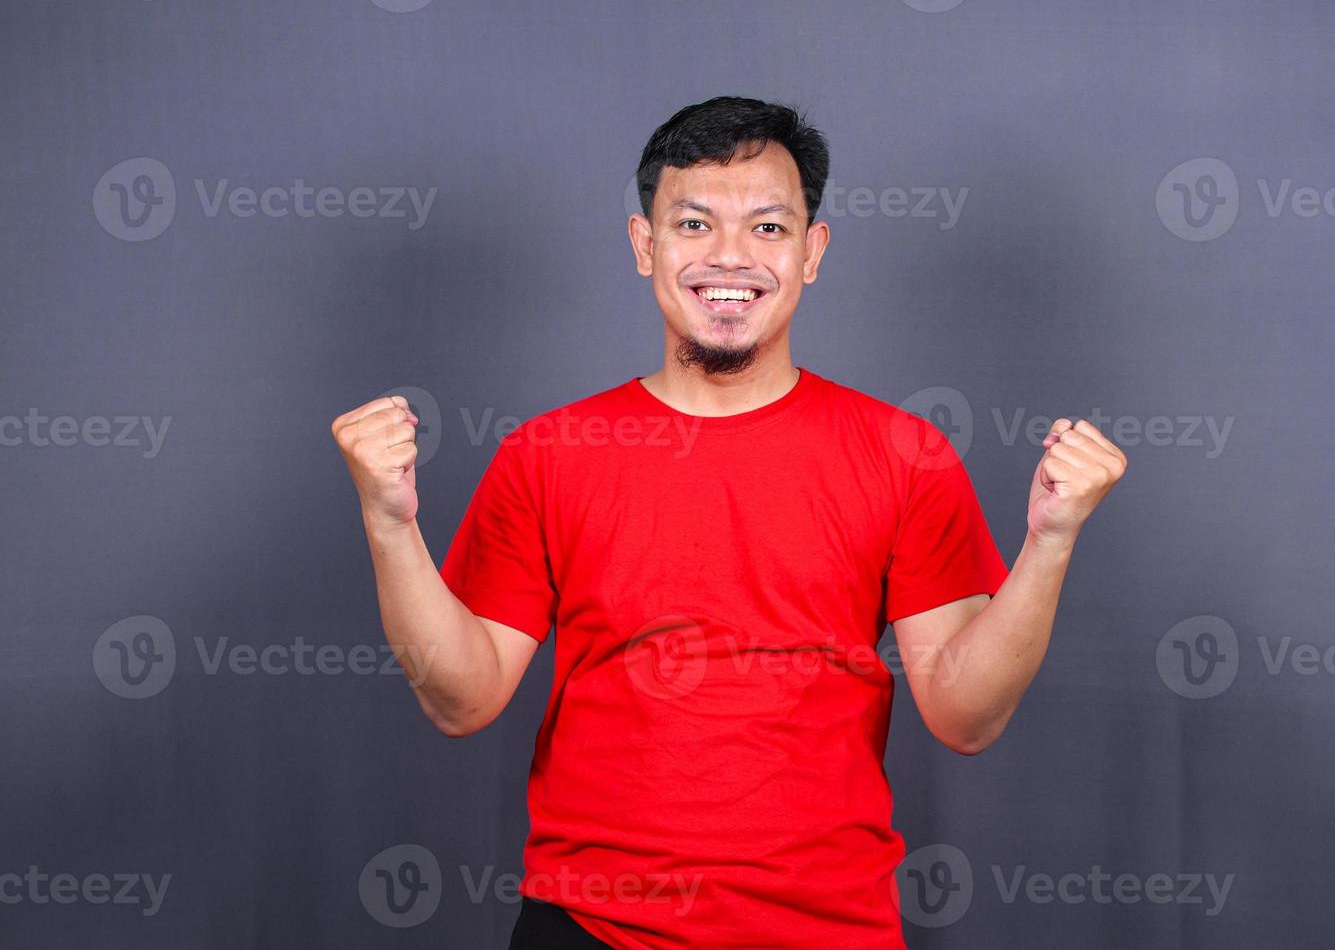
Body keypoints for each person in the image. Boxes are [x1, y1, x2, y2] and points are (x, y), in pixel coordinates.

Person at [331, 95, 1127, 949]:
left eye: (770, 229)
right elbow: (464, 697)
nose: (731, 258)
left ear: (813, 253)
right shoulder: (549, 454)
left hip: (832, 932)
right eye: (696, 224)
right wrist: (389, 522)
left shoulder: (904, 454)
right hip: (592, 928)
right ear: (646, 246)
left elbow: (967, 717)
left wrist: (1049, 541)